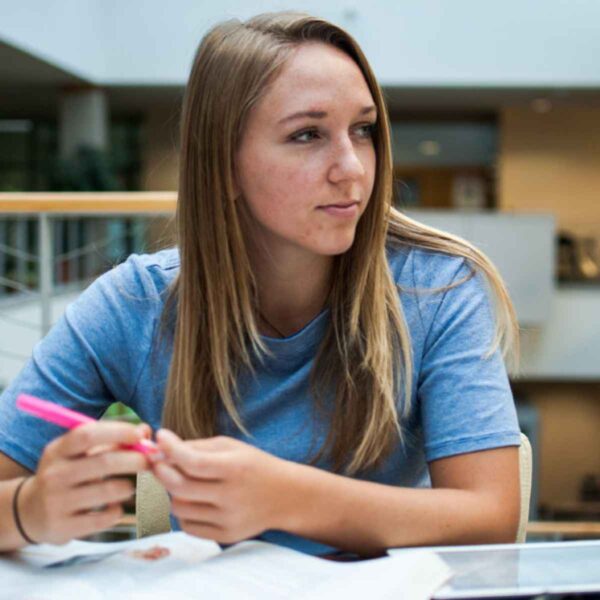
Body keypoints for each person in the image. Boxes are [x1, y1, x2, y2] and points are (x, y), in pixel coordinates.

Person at [0, 12, 521, 556]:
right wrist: (30, 508)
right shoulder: (135, 305)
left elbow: (490, 516)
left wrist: (286, 498)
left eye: (362, 129)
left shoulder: (436, 290)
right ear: (223, 166)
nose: (353, 168)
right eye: (307, 134)